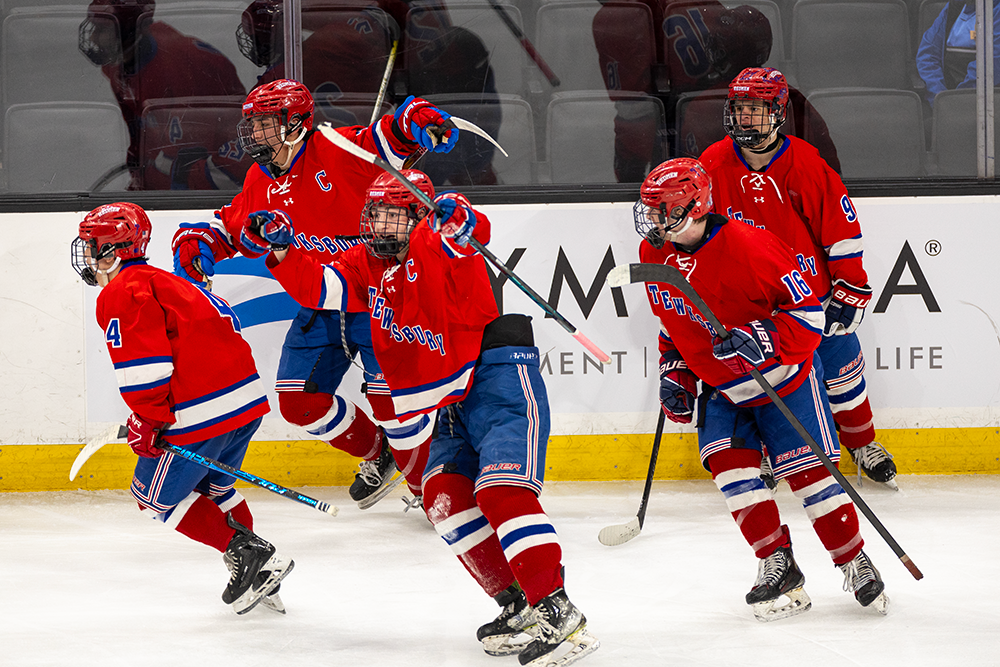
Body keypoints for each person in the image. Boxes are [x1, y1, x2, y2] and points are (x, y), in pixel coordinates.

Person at [255, 169, 599, 666]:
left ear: (417, 213)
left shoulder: (438, 241)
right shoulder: (364, 261)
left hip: (498, 376)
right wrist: (285, 250)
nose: (377, 225)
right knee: (441, 499)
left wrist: (459, 218)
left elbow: (468, 232)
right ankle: (518, 604)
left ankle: (558, 610)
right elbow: (321, 288)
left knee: (501, 492)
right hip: (449, 403)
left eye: (391, 215)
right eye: (373, 213)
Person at [171, 79, 459, 510]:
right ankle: (377, 455)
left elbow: (387, 137)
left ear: (297, 123)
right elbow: (235, 226)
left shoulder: (337, 149)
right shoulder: (260, 178)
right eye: (252, 124)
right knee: (299, 402)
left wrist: (414, 120)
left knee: (393, 405)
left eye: (266, 124)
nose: (255, 134)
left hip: (383, 301)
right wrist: (202, 244)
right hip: (320, 305)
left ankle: (428, 490)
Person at [631, 158, 889, 620]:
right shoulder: (654, 255)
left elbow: (809, 317)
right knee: (734, 478)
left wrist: (763, 336)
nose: (652, 221)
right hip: (722, 391)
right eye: (649, 211)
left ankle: (854, 560)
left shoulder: (753, 248)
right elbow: (672, 323)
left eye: (662, 210)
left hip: (782, 384)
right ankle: (778, 563)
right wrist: (677, 373)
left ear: (694, 207)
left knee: (813, 480)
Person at [71, 201, 292, 615]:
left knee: (153, 497)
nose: (86, 255)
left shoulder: (123, 291)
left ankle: (246, 553)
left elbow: (147, 368)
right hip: (245, 403)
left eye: (91, 245)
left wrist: (148, 421)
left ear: (114, 249)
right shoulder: (169, 282)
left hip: (200, 411)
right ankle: (259, 572)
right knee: (215, 490)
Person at [699, 67, 897, 489]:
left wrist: (850, 286)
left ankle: (861, 443)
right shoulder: (712, 163)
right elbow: (700, 229)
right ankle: (777, 451)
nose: (745, 118)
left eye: (755, 109)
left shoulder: (805, 163)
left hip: (811, 295)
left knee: (842, 369)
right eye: (739, 108)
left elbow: (841, 233)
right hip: (756, 304)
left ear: (778, 112)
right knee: (772, 380)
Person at [78, 0, 249, 190]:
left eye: (102, 30)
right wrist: (138, 178)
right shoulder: (116, 62)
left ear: (131, 30)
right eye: (94, 28)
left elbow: (192, 161)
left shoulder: (185, 70)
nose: (93, 38)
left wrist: (165, 185)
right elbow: (137, 133)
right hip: (172, 159)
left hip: (217, 168)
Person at [916, 1, 1000, 107]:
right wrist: (939, 97)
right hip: (946, 102)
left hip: (985, 105)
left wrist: (957, 102)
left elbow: (992, 65)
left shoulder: (996, 11)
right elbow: (928, 56)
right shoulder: (954, 7)